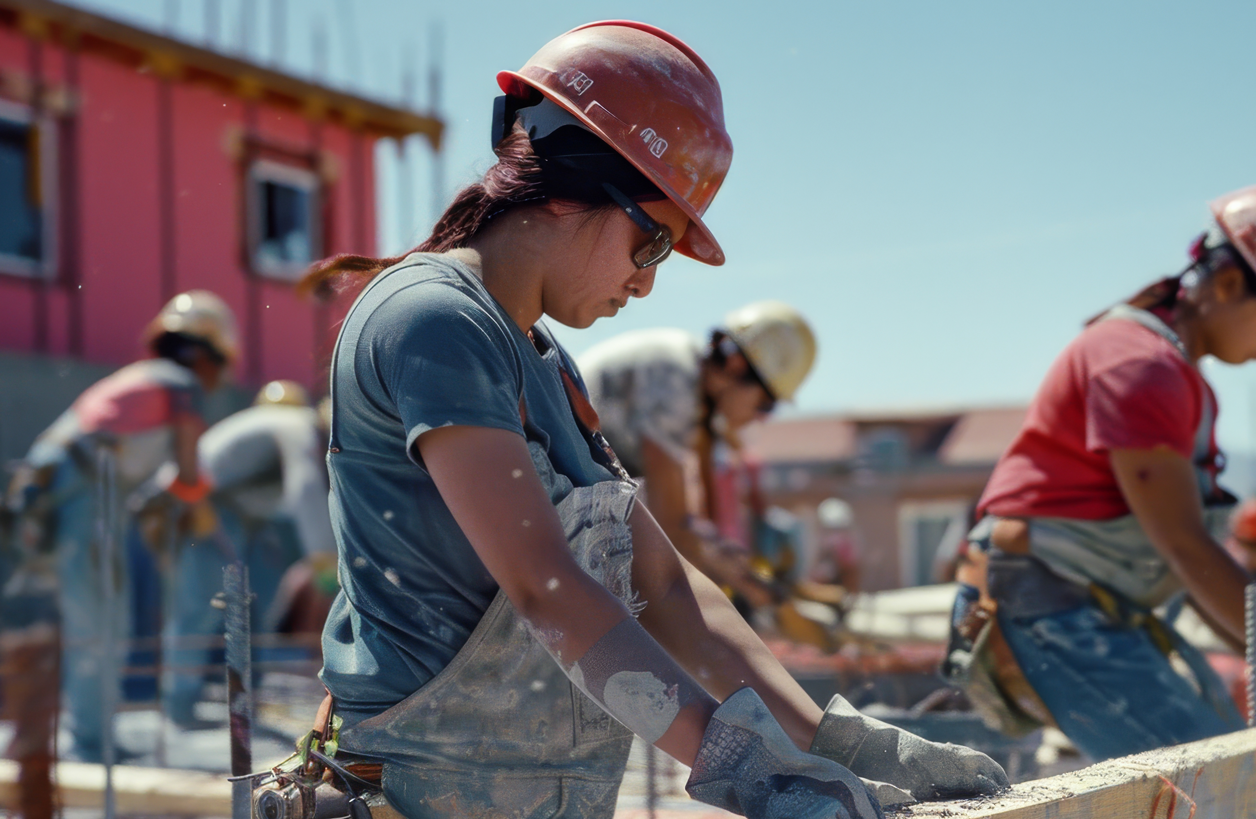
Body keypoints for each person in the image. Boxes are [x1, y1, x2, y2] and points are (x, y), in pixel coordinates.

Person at [295, 21, 1004, 818]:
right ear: (575, 186)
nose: (647, 284)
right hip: (429, 789)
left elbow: (661, 581)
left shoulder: (548, 363)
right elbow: (545, 585)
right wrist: (746, 767)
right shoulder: (433, 320)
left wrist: (830, 741)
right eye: (653, 242)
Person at [944, 185, 1256, 769]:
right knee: (1214, 790)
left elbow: (1190, 565)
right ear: (1229, 285)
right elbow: (1184, 546)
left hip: (1081, 603)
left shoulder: (1164, 368)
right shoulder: (1140, 367)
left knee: (1224, 770)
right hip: (1044, 603)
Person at [5, 290, 236, 763]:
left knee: (84, 615)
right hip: (87, 493)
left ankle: (77, 735)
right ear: (208, 354)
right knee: (103, 619)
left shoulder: (144, 378)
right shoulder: (180, 384)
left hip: (54, 491)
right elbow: (189, 475)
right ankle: (89, 745)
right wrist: (205, 519)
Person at [579, 302, 814, 610]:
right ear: (738, 368)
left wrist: (728, 560)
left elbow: (697, 515)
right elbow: (673, 524)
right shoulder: (676, 378)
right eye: (766, 405)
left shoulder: (692, 386)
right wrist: (747, 591)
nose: (760, 418)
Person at [150, 380, 335, 727]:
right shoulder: (298, 427)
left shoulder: (274, 429)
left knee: (250, 605)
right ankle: (179, 708)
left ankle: (245, 701)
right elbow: (306, 490)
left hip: (235, 515)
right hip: (200, 506)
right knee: (199, 609)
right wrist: (325, 562)